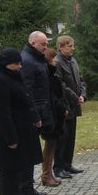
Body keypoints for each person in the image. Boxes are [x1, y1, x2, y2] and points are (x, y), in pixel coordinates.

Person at [0, 48, 43, 195]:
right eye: (15, 63)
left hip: (23, 130)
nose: (19, 66)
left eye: (20, 63)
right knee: (9, 173)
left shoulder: (14, 77)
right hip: (8, 134)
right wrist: (11, 138)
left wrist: (35, 117)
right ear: (6, 64)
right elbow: (2, 113)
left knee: (19, 169)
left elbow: (27, 99)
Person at [19, 31, 51, 195]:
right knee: (26, 155)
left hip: (39, 109)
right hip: (31, 114)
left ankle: (29, 187)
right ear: (32, 43)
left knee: (32, 153)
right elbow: (27, 91)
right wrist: (36, 115)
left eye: (46, 44)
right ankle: (23, 191)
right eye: (42, 44)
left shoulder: (36, 59)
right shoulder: (28, 61)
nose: (45, 47)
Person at [54, 35, 87, 179]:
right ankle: (59, 167)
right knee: (62, 137)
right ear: (60, 47)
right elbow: (60, 84)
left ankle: (68, 164)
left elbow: (81, 80)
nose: (72, 48)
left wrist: (83, 95)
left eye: (73, 46)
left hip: (75, 105)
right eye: (69, 46)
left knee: (71, 136)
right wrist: (74, 96)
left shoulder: (73, 61)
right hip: (64, 105)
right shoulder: (57, 62)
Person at [40, 48, 65, 187]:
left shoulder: (52, 74)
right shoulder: (48, 75)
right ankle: (46, 174)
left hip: (56, 112)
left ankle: (49, 173)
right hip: (51, 113)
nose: (55, 61)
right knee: (49, 145)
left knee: (52, 145)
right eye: (53, 59)